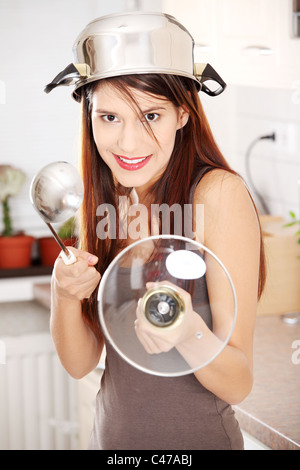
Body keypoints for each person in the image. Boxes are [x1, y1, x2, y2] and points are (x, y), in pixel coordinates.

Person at [46, 11, 266, 450]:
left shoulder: (217, 195)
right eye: (109, 117)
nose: (128, 144)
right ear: (88, 112)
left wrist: (187, 331)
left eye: (150, 115)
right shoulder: (107, 196)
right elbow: (80, 362)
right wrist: (63, 291)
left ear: (183, 113)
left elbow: (238, 382)